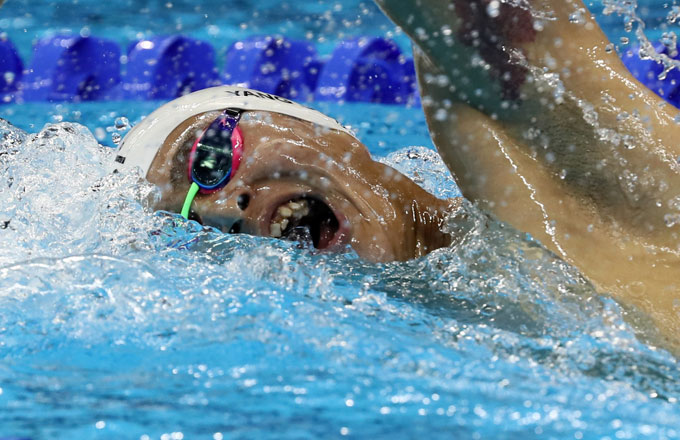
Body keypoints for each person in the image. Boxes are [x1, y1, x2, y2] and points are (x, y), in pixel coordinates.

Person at [115, 0, 680, 349]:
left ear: (318, 127)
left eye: (208, 159)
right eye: (191, 224)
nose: (221, 211)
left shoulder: (576, 182)